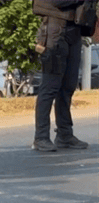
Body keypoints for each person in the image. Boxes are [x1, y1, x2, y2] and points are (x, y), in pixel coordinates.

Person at [32, 0, 97, 151]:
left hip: (74, 29)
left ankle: (65, 135)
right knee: (50, 86)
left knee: (68, 86)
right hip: (55, 30)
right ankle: (41, 137)